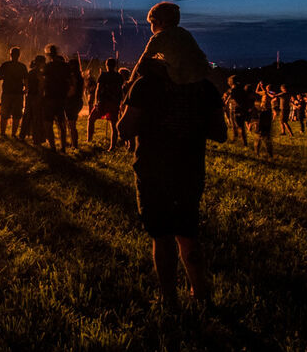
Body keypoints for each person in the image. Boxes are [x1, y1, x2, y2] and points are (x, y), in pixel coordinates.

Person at [118, 57, 222, 311]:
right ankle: (201, 294)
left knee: (162, 236)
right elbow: (220, 133)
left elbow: (125, 129)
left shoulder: (145, 85)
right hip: (190, 170)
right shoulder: (204, 87)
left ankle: (169, 300)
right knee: (188, 234)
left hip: (153, 171)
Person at [131, 1, 209, 86]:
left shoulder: (159, 37)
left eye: (152, 23)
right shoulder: (184, 33)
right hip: (201, 73)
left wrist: (131, 82)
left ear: (160, 22)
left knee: (148, 65)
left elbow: (141, 63)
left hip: (180, 76)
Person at [88, 58, 123, 151]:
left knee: (91, 119)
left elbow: (98, 89)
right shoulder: (119, 76)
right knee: (113, 125)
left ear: (106, 65)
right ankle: (112, 146)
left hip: (103, 102)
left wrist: (96, 102)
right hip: (114, 103)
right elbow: (120, 90)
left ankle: (89, 141)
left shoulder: (103, 75)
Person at [42, 45, 70, 153]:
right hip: (61, 98)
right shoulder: (65, 66)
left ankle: (53, 147)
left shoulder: (48, 66)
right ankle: (63, 147)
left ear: (49, 54)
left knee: (48, 123)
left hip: (50, 97)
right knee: (61, 123)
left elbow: (43, 79)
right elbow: (69, 81)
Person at [0, 47, 27, 137]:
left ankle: (3, 133)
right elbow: (26, 79)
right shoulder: (22, 66)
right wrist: (26, 89)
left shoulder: (5, 65)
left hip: (7, 93)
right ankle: (13, 134)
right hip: (18, 93)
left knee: (4, 114)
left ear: (10, 54)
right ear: (19, 55)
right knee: (17, 115)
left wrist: (6, 76)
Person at [224, 76, 251, 146]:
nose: (228, 82)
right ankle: (237, 139)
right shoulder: (240, 88)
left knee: (239, 126)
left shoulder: (234, 89)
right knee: (236, 125)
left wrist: (227, 97)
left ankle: (244, 143)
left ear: (231, 81)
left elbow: (234, 98)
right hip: (237, 109)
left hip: (236, 110)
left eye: (229, 81)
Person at [65, 58, 85, 149]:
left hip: (72, 102)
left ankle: (74, 144)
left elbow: (72, 91)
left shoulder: (73, 77)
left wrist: (65, 96)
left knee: (71, 124)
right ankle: (73, 143)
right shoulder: (80, 77)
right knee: (72, 124)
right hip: (78, 101)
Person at [254, 82, 275, 159]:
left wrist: (265, 91)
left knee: (266, 133)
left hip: (268, 111)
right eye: (266, 88)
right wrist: (258, 86)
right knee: (260, 132)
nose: (267, 89)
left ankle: (269, 153)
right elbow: (256, 91)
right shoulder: (264, 92)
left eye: (268, 88)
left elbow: (272, 96)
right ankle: (258, 152)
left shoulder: (271, 92)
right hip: (262, 111)